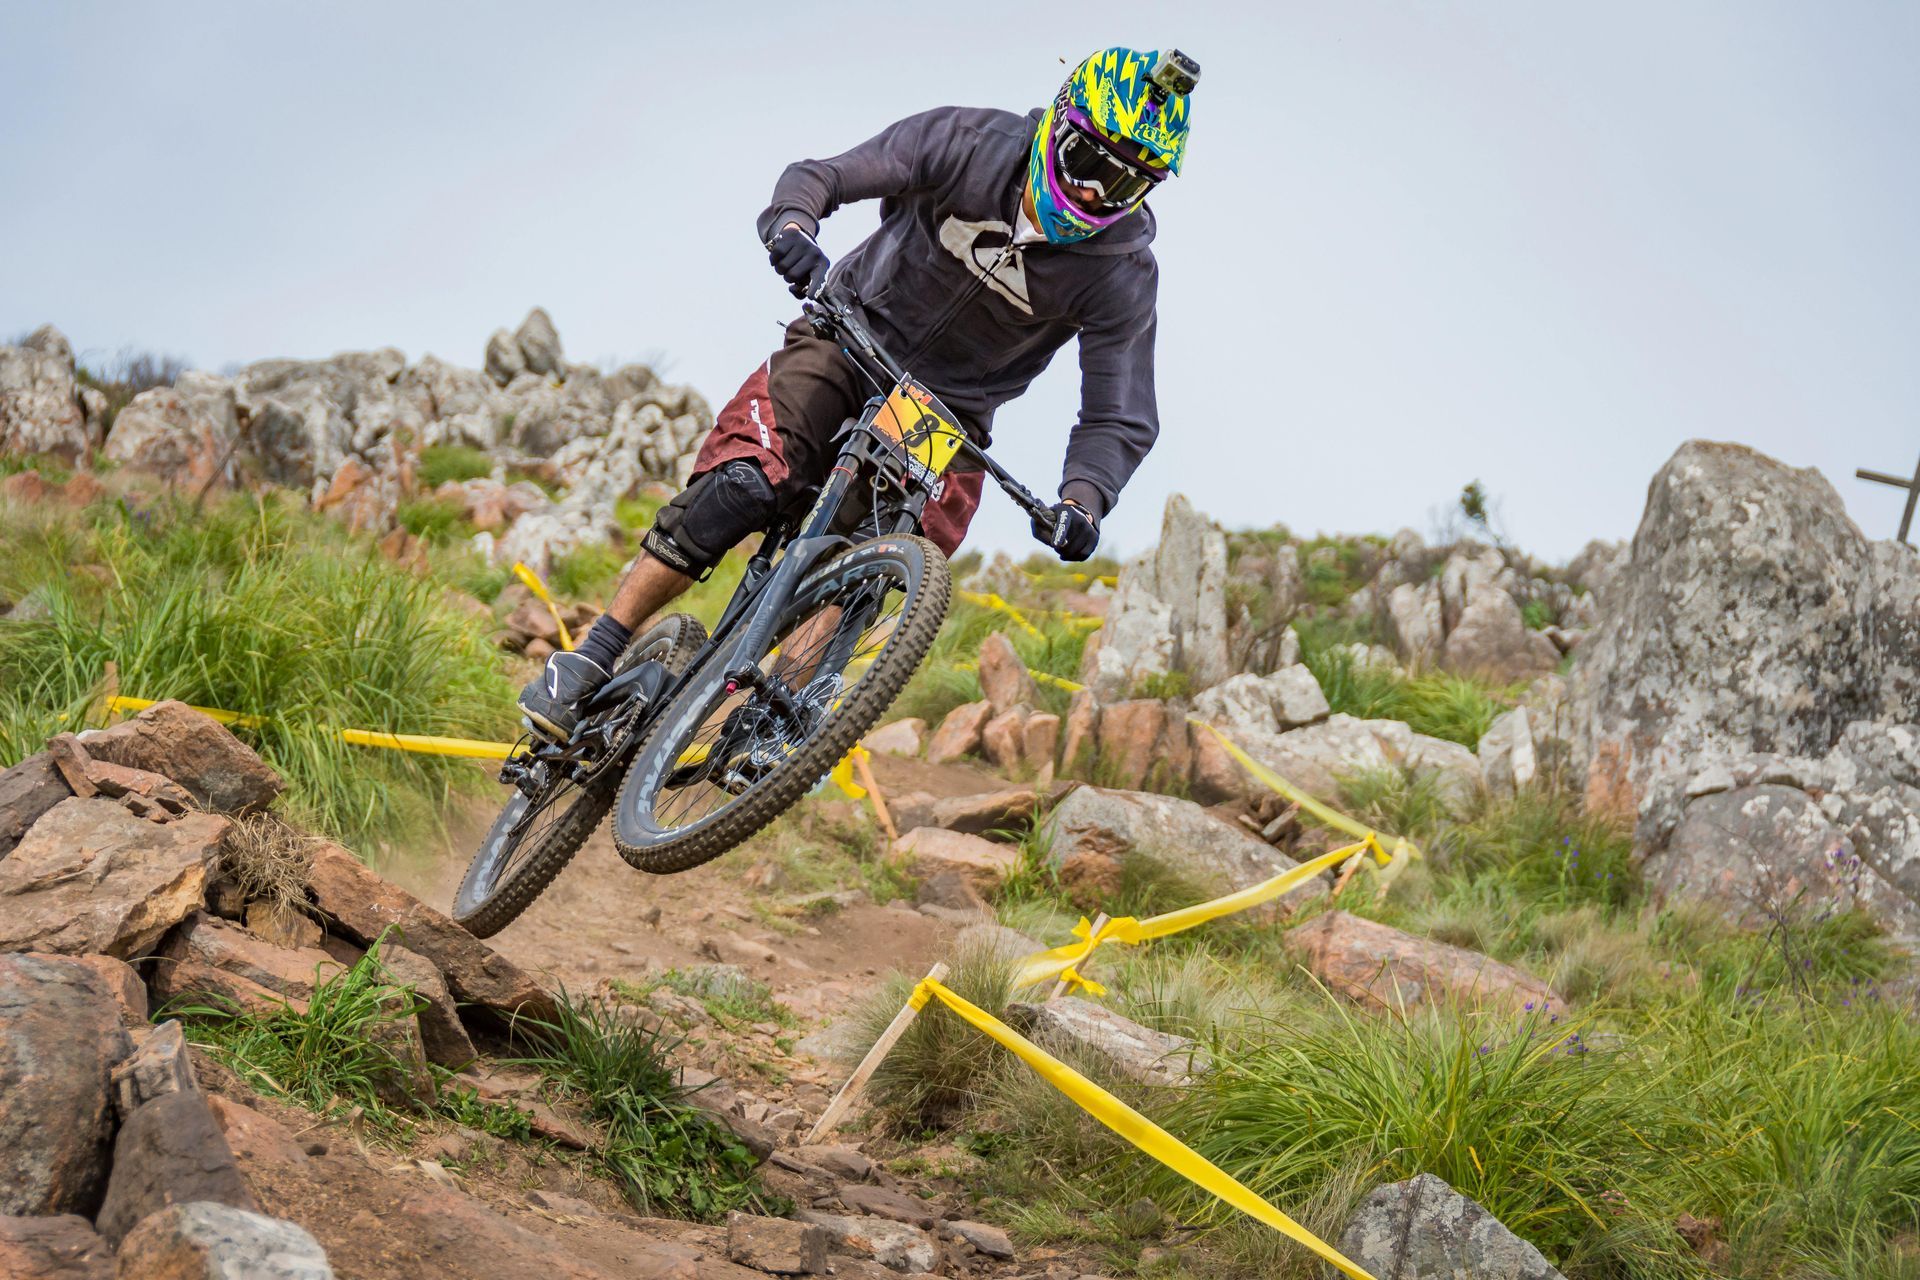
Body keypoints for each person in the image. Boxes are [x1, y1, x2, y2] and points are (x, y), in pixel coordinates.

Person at [519, 46, 1198, 740]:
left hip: (941, 412)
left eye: (1124, 186)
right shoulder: (966, 144)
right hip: (849, 334)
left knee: (864, 562)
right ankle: (593, 654)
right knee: (746, 485)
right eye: (1089, 166)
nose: (1093, 194)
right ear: (1057, 127)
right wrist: (793, 224)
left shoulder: (1120, 271)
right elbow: (825, 175)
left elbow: (1118, 411)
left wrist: (1083, 500)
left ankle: (767, 720)